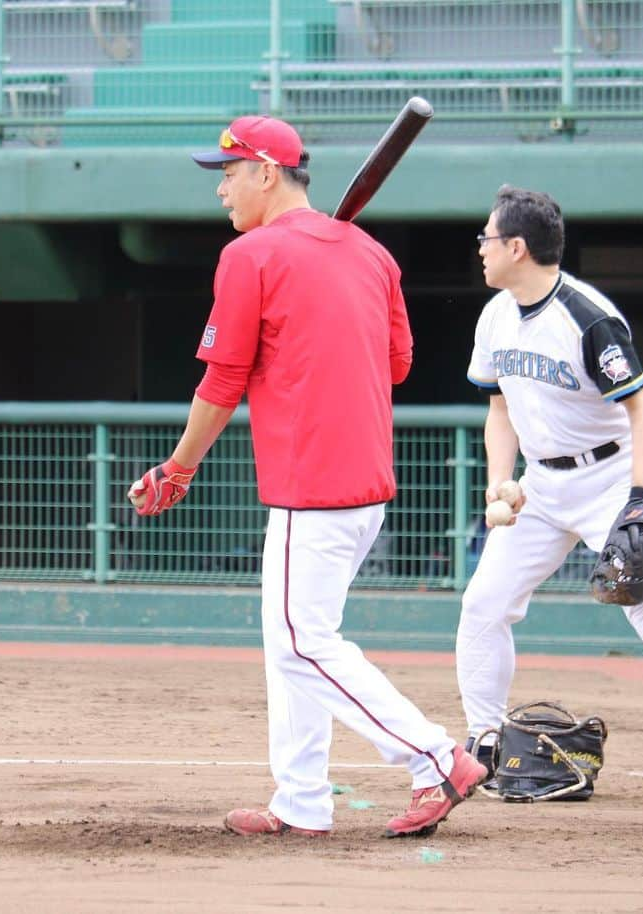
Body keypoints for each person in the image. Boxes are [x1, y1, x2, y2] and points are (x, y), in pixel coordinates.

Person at [127, 115, 486, 838]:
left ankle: (435, 757)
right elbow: (397, 365)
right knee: (289, 639)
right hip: (363, 486)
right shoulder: (373, 256)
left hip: (311, 482)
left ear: (266, 172)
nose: (221, 189)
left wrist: (178, 467)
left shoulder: (251, 256)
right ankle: (300, 801)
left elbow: (223, 380)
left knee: (300, 643)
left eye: (228, 173)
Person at [458, 184, 643, 800]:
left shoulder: (588, 317)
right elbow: (500, 408)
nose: (479, 248)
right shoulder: (496, 314)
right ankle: (482, 744)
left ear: (516, 246)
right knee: (484, 602)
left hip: (611, 477)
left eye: (486, 237)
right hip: (541, 484)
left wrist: (641, 498)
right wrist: (498, 481)